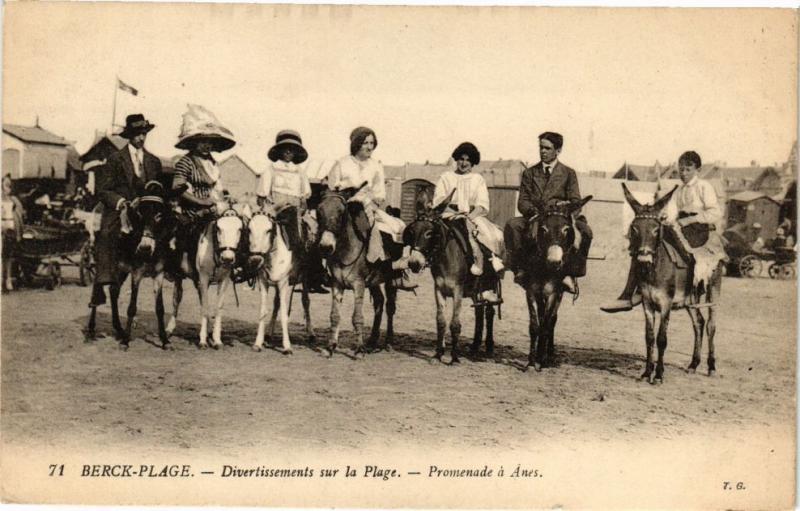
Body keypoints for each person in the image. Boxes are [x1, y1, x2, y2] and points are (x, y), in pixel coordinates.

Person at [601, 150, 724, 313]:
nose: (684, 173)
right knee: (648, 246)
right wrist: (666, 217)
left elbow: (715, 212)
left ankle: (689, 293)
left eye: (688, 169)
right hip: (680, 228)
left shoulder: (704, 187)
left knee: (689, 255)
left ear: (697, 170)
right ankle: (633, 292)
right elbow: (672, 210)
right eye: (681, 169)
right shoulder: (679, 190)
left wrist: (691, 219)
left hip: (699, 230)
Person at [326, 126, 415, 290]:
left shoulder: (376, 166)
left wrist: (371, 202)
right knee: (324, 229)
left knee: (394, 227)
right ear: (356, 144)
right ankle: (321, 271)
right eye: (365, 143)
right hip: (342, 207)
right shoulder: (341, 163)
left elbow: (379, 192)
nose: (369, 147)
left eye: (372, 143)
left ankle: (393, 273)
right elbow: (332, 187)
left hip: (366, 205)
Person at [504, 131, 593, 292]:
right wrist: (533, 211)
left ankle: (572, 273)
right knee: (512, 225)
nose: (542, 151)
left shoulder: (568, 173)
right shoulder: (529, 173)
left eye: (547, 148)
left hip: (561, 217)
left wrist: (567, 208)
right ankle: (520, 269)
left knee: (586, 231)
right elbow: (522, 201)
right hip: (537, 216)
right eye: (541, 148)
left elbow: (576, 200)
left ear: (558, 150)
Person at [92, 114, 163, 306]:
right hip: (121, 209)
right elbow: (104, 190)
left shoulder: (153, 161)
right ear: (129, 135)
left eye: (144, 134)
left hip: (146, 209)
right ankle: (102, 281)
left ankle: (169, 266)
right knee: (106, 233)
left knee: (166, 229)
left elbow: (158, 187)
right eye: (137, 134)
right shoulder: (115, 159)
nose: (141, 138)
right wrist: (122, 202)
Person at [256, 130, 328, 293]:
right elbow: (261, 197)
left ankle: (312, 275)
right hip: (275, 212)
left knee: (315, 234)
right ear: (279, 150)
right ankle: (252, 267)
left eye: (292, 149)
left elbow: (305, 197)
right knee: (257, 231)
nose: (288, 152)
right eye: (285, 148)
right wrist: (269, 210)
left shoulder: (300, 171)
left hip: (296, 212)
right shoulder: (271, 169)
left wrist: (302, 209)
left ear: (296, 152)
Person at [432, 142, 505, 302]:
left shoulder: (477, 179)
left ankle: (486, 284)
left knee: (489, 238)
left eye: (467, 160)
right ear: (456, 160)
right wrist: (452, 212)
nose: (464, 163)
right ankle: (432, 267)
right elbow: (439, 201)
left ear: (472, 162)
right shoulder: (446, 177)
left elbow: (482, 204)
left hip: (473, 216)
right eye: (461, 159)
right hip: (449, 215)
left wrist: (470, 216)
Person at [172, 105, 236, 274]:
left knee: (233, 227)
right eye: (203, 141)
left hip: (214, 208)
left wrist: (227, 197)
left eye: (210, 142)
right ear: (194, 142)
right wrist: (201, 202)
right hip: (192, 210)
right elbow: (177, 189)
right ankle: (181, 266)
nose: (207, 145)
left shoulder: (213, 163)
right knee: (186, 233)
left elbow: (219, 186)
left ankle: (232, 264)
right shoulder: (186, 162)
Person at [2, 175, 25, 291]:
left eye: (9, 186)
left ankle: (8, 279)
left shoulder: (12, 200)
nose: (7, 188)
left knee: (7, 256)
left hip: (8, 228)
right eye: (6, 185)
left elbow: (15, 213)